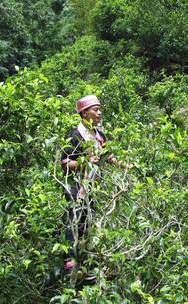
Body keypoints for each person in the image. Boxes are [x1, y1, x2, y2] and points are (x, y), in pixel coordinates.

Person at [60, 95, 126, 277]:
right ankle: (69, 261)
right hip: (76, 186)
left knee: (87, 223)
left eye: (99, 109)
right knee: (74, 221)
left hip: (92, 186)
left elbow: (108, 156)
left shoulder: (100, 135)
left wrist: (126, 166)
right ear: (84, 113)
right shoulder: (74, 135)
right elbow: (64, 162)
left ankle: (86, 262)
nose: (99, 113)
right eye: (95, 110)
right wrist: (84, 162)